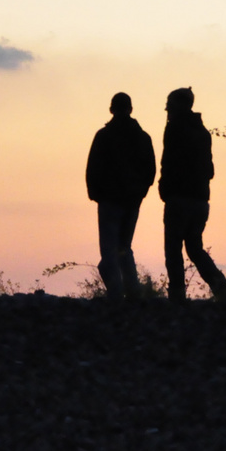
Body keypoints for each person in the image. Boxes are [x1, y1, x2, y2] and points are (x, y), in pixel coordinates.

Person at [158, 86, 226, 303]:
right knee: (194, 247)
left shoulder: (174, 130)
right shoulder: (203, 133)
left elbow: (168, 163)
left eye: (169, 106)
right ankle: (220, 286)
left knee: (173, 249)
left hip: (179, 199)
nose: (167, 111)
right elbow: (209, 170)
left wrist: (165, 189)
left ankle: (177, 296)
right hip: (200, 200)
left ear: (179, 106)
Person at [84, 92, 156, 298]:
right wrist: (140, 193)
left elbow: (93, 167)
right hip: (131, 201)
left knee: (109, 248)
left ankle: (116, 293)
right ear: (131, 109)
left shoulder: (104, 136)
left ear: (111, 110)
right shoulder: (143, 137)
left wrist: (95, 193)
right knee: (124, 246)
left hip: (109, 201)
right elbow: (150, 171)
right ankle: (133, 291)